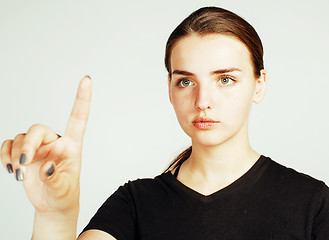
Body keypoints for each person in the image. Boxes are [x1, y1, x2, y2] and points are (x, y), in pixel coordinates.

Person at [1, 6, 329, 240]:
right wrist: (55, 216)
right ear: (170, 89)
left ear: (259, 84)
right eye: (185, 81)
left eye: (226, 79)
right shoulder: (135, 204)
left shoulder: (314, 204)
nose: (203, 101)